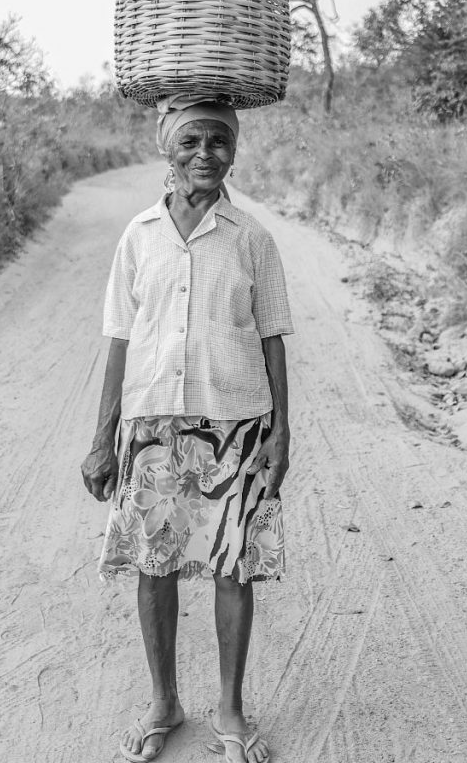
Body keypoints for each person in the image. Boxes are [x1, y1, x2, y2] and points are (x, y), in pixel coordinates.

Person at [81, 94, 293, 763]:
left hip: (237, 420)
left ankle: (229, 709)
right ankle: (164, 703)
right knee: (156, 565)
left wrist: (281, 434)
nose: (205, 153)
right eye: (191, 141)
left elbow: (273, 339)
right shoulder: (139, 234)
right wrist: (101, 437)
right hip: (153, 425)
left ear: (234, 149)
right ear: (167, 149)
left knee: (233, 567)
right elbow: (118, 338)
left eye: (218, 141)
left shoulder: (251, 237)